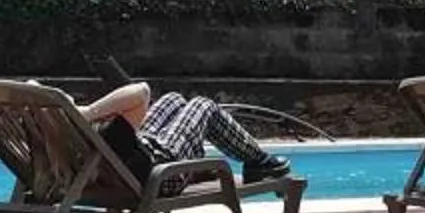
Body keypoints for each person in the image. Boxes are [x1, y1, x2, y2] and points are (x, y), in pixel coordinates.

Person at [78, 83, 293, 186]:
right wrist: (89, 112)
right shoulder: (84, 127)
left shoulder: (63, 135)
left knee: (174, 99)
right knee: (203, 106)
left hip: (141, 155)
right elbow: (141, 91)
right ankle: (260, 161)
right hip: (160, 171)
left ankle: (254, 160)